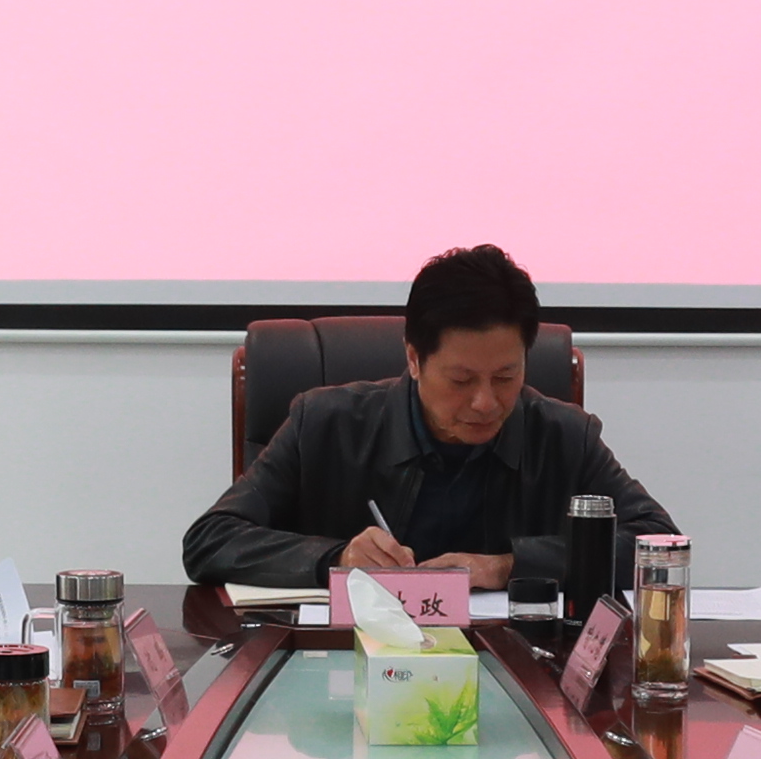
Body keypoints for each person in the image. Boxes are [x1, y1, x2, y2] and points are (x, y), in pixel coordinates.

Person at [182, 242, 669, 593]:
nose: (485, 402)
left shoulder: (563, 436)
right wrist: (336, 558)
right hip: (348, 664)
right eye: (461, 380)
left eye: (505, 377)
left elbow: (659, 545)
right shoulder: (326, 424)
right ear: (414, 359)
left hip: (516, 665)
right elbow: (210, 541)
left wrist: (509, 566)